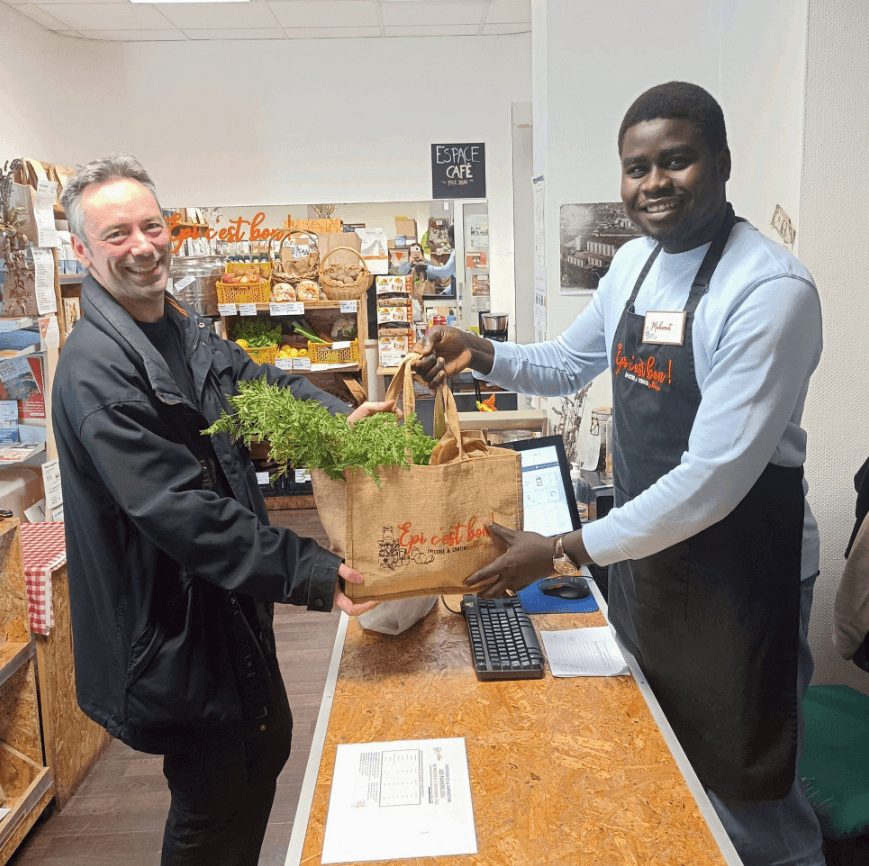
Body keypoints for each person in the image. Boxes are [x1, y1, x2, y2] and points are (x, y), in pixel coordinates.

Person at [413, 82, 825, 866]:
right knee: (663, 750)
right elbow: (569, 363)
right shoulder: (635, 263)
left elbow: (710, 481)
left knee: (747, 786)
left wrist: (565, 547)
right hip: (647, 558)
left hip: (742, 574)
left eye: (676, 161)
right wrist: (488, 353)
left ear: (722, 162)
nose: (653, 183)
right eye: (636, 168)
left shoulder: (767, 291)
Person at [53, 154, 385, 866]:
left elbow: (254, 381)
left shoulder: (176, 326)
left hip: (219, 608)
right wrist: (312, 570)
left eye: (151, 226)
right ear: (82, 250)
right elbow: (177, 511)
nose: (142, 246)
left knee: (260, 755)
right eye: (117, 235)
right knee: (214, 801)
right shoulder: (98, 370)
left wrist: (335, 421)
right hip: (168, 628)